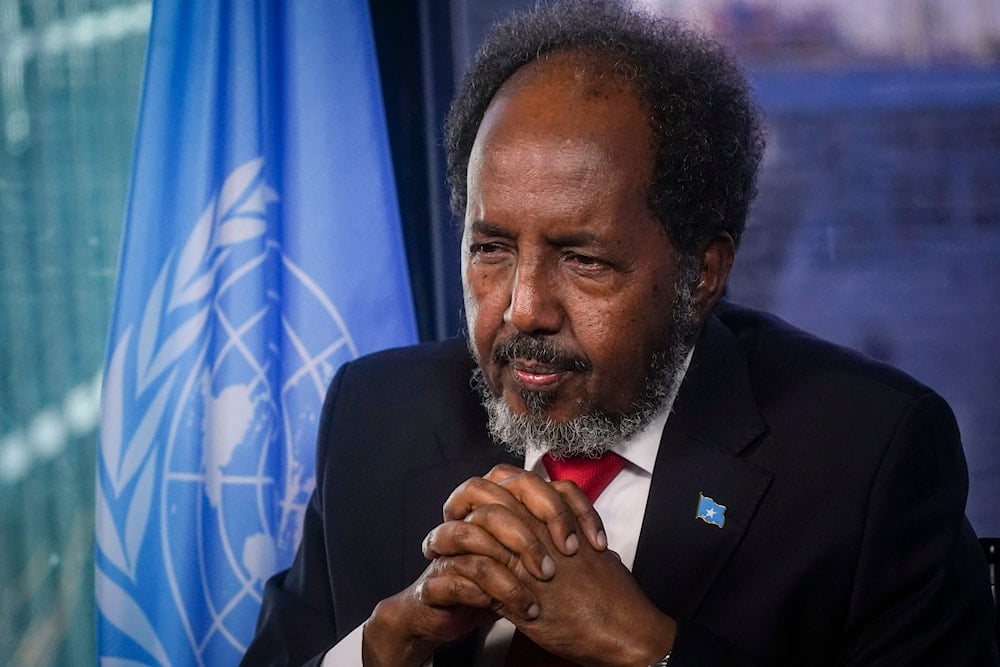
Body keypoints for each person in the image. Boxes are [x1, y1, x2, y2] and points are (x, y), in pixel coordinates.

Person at [243, 1, 999, 665]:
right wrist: (387, 643)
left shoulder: (869, 459)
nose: (522, 309)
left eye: (583, 259)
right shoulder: (377, 415)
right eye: (491, 249)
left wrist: (646, 647)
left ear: (701, 273)